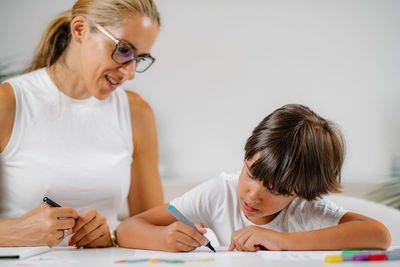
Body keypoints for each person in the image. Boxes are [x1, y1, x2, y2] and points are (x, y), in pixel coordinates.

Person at [116, 104, 391, 252]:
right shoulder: (219, 193)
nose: (253, 194)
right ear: (246, 155)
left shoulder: (306, 211)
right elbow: (128, 229)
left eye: (277, 190)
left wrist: (281, 241)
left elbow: (379, 235)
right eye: (251, 173)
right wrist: (163, 238)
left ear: (300, 192)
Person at [0, 0, 163, 248]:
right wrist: (14, 231)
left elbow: (153, 229)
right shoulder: (9, 103)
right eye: (123, 50)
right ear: (79, 30)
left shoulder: (136, 113)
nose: (129, 73)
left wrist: (111, 236)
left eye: (139, 59)